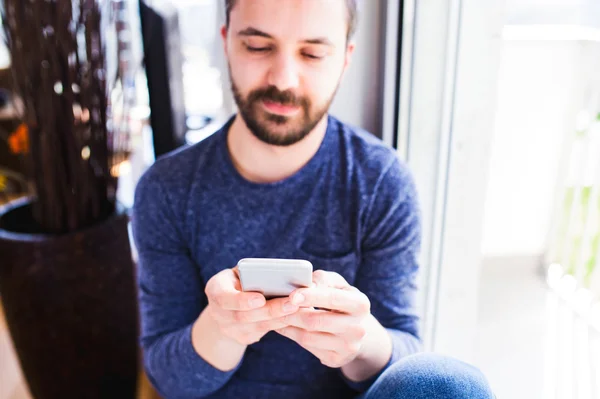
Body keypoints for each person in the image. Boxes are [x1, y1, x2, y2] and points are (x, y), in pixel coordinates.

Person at [131, 1, 495, 398]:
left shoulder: (380, 182)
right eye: (257, 47)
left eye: (313, 53)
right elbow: (168, 379)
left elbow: (406, 355)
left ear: (344, 59)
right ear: (227, 43)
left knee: (452, 384)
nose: (284, 79)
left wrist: (359, 342)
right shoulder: (167, 189)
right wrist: (221, 328)